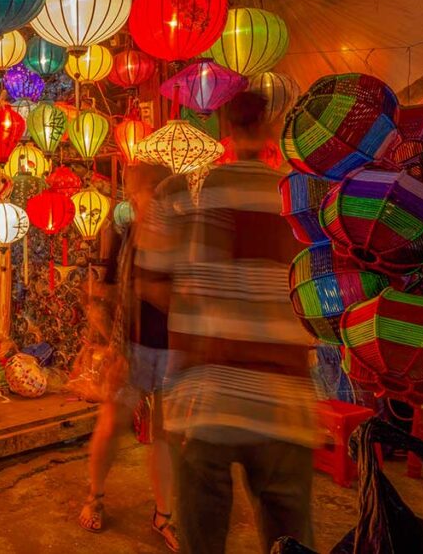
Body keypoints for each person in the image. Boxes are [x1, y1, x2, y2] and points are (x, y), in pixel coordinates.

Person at [138, 92, 318, 554]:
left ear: (225, 131)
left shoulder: (184, 196)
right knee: (290, 539)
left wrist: (202, 304)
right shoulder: (300, 200)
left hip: (206, 401)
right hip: (284, 404)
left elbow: (152, 284)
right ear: (272, 130)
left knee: (203, 541)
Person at [79, 163, 178, 552]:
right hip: (131, 349)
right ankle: (96, 495)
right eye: (144, 192)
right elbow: (99, 297)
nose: (151, 199)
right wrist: (110, 343)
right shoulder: (123, 238)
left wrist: (155, 292)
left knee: (165, 436)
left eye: (158, 191)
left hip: (171, 350)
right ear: (134, 198)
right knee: (110, 426)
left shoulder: (182, 240)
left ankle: (164, 514)